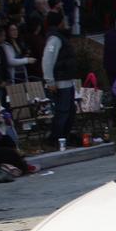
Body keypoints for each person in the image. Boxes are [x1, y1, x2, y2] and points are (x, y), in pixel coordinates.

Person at [41, 11, 77, 147]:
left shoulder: (61, 37)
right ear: (59, 22)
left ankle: (65, 136)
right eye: (64, 21)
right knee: (62, 112)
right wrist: (49, 80)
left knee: (69, 111)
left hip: (67, 80)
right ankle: (56, 138)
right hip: (60, 82)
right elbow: (47, 60)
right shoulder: (55, 39)